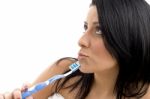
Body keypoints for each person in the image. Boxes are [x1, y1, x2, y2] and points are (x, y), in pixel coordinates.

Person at [1, 0, 150, 98]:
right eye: (85, 27)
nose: (81, 41)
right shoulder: (63, 71)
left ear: (130, 38)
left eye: (99, 30)